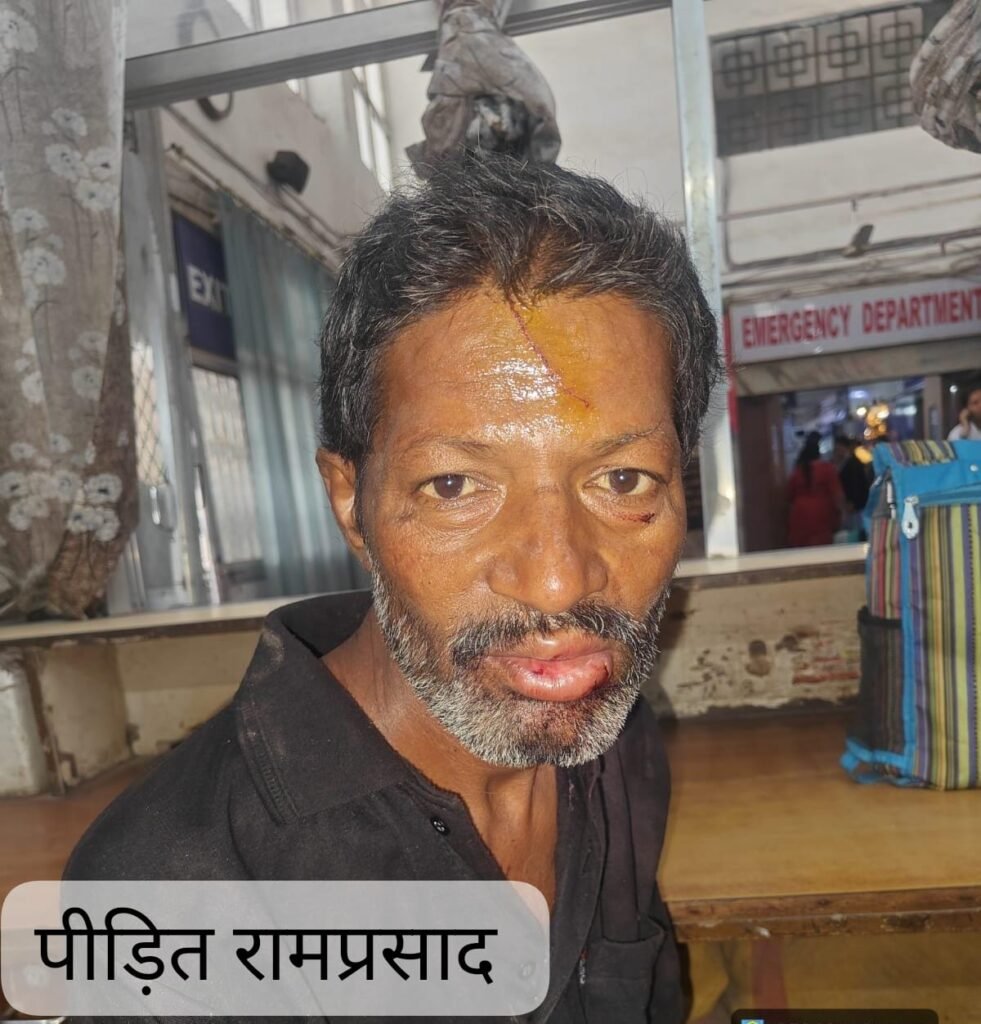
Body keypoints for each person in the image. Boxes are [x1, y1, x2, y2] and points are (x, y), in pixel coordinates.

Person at [66, 157, 722, 1022]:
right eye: (454, 486)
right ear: (351, 503)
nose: (558, 582)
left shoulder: (607, 739)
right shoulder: (168, 911)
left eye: (623, 480)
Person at [787, 431, 844, 547]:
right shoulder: (827, 469)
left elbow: (789, 496)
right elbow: (837, 495)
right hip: (822, 513)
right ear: (818, 453)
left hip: (799, 514)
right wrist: (841, 515)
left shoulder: (797, 471)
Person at [833, 434, 871, 540]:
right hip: (853, 504)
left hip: (855, 505)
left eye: (839, 448)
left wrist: (852, 502)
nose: (838, 451)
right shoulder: (847, 462)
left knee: (855, 529)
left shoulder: (852, 463)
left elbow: (856, 484)